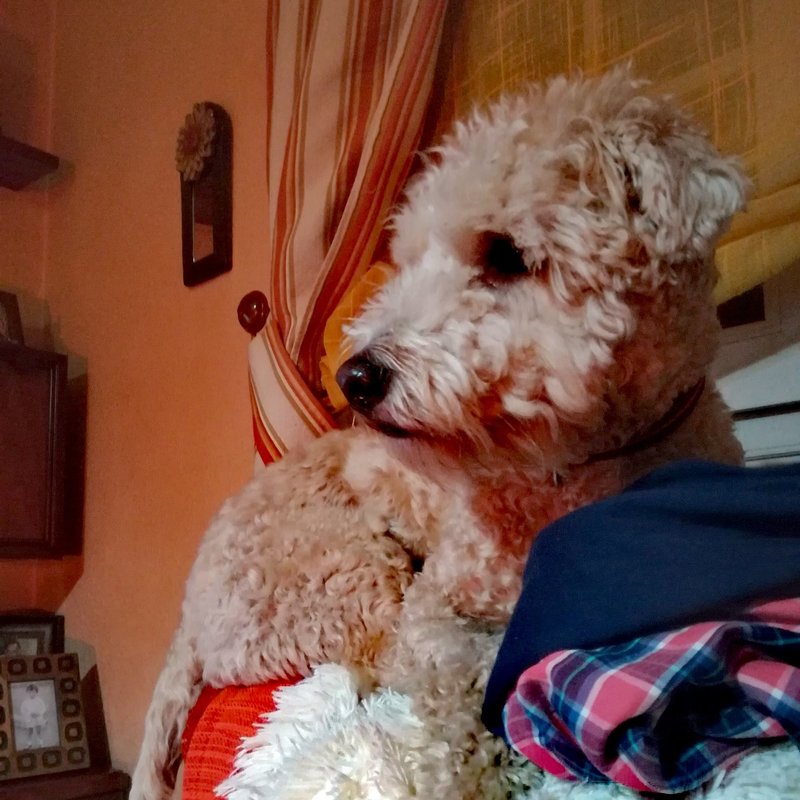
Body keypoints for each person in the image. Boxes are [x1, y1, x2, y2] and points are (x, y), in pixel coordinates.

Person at [18, 684, 47, 749]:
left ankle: (41, 744)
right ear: (27, 692)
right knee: (30, 732)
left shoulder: (39, 700)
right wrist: (29, 714)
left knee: (38, 731)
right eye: (30, 692)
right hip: (30, 719)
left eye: (34, 692)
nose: (32, 694)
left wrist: (39, 713)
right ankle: (29, 744)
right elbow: (22, 710)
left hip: (38, 718)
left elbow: (44, 708)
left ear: (36, 692)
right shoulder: (25, 702)